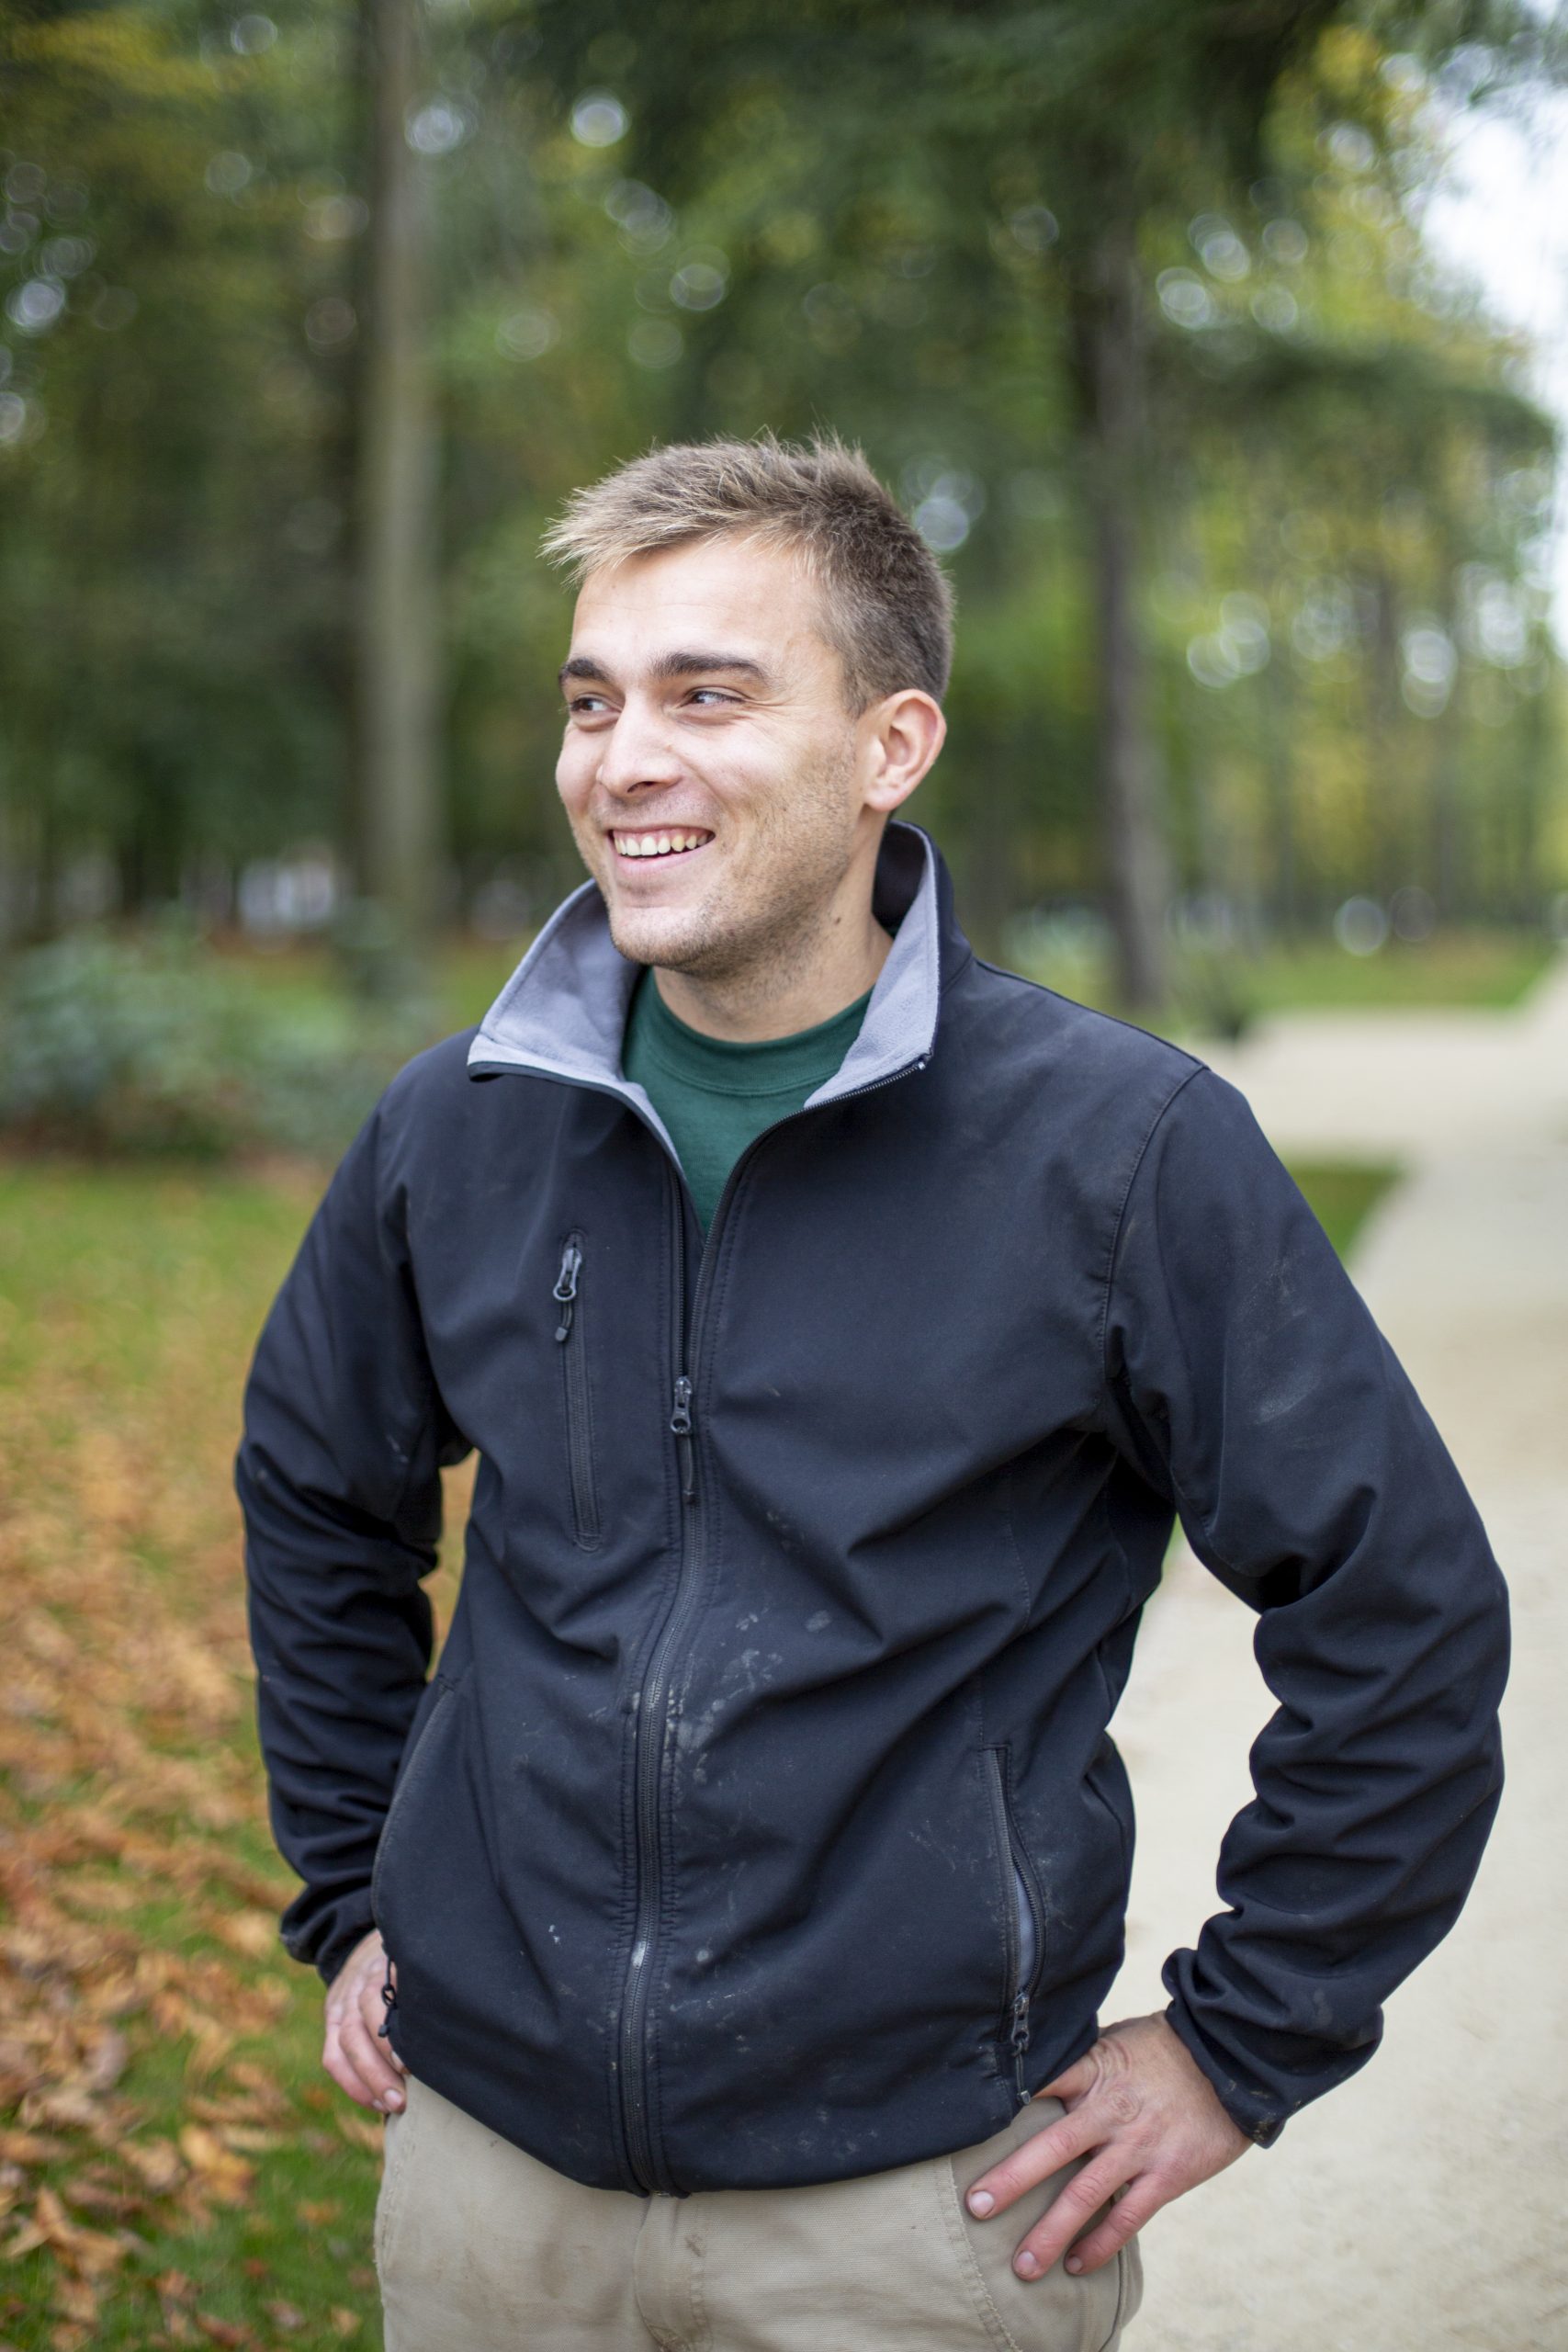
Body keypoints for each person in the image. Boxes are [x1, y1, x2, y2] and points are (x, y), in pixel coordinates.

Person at [235, 432, 1509, 2352]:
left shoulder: (1121, 1148)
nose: (620, 758)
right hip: (489, 2186)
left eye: (707, 693)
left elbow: (1399, 1612)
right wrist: (352, 1885)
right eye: (592, 700)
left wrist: (1243, 2039)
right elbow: (318, 1493)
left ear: (887, 744)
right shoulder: (457, 1124)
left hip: (914, 2214)